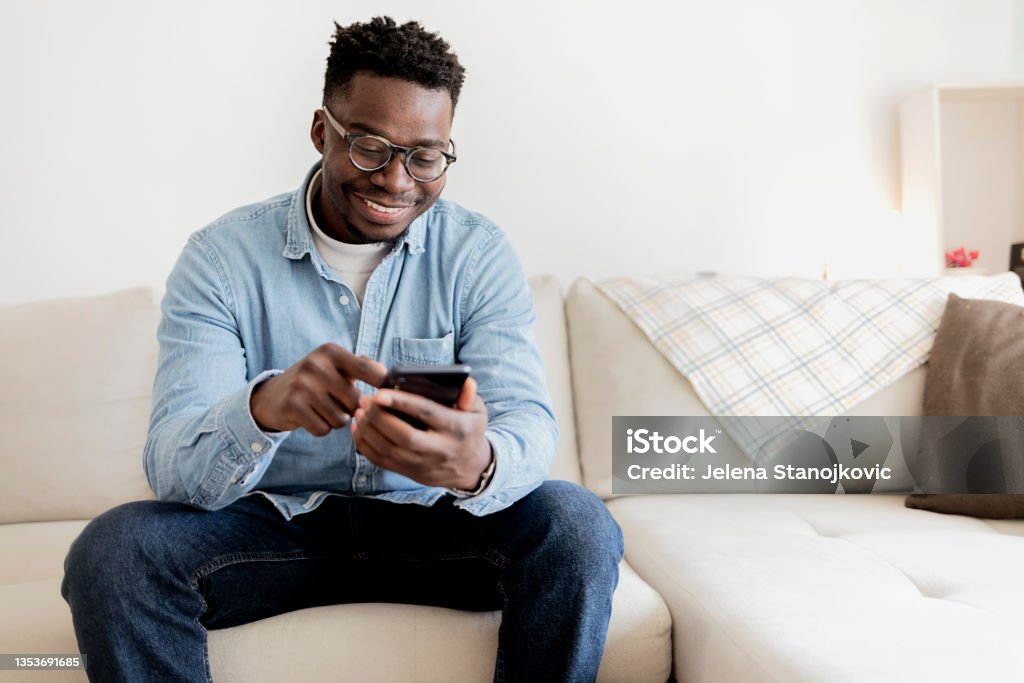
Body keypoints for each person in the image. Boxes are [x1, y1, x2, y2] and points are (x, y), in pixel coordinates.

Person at [61, 16, 623, 682]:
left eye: (425, 155)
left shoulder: (476, 254)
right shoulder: (221, 258)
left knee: (579, 523)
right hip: (271, 530)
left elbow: (529, 424)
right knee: (115, 550)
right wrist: (263, 407)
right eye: (370, 146)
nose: (396, 180)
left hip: (434, 526)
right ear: (323, 131)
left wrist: (479, 462)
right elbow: (172, 468)